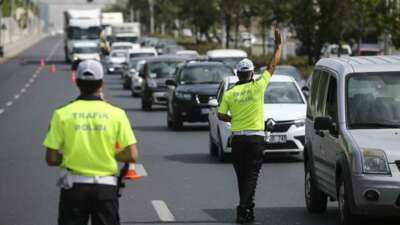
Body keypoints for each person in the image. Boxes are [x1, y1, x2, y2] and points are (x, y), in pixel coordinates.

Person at [43, 59, 138, 225]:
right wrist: (109, 154)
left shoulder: (61, 114)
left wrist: (69, 156)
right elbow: (132, 155)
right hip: (106, 189)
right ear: (101, 83)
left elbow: (51, 158)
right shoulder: (117, 114)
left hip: (73, 188)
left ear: (77, 82)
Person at [218, 28, 283, 224]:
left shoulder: (229, 93)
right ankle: (243, 209)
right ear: (252, 73)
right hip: (256, 139)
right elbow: (272, 65)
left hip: (237, 139)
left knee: (242, 176)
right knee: (252, 176)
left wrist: (234, 119)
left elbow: (221, 114)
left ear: (238, 74)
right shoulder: (258, 87)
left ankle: (248, 210)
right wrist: (279, 46)